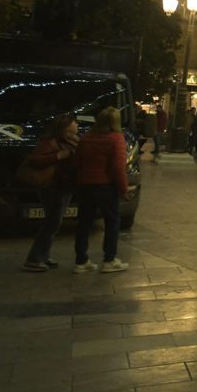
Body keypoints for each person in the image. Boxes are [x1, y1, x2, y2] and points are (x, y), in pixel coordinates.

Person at [72, 106, 132, 273]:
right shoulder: (116, 138)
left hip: (85, 186)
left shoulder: (86, 138)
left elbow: (77, 162)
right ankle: (109, 259)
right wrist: (123, 189)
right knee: (112, 222)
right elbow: (118, 168)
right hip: (106, 186)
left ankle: (81, 260)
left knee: (84, 223)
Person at [21, 114, 79, 272]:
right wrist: (58, 156)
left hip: (65, 186)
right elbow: (35, 160)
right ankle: (34, 258)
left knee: (54, 222)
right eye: (69, 132)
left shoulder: (70, 141)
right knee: (52, 223)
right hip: (54, 187)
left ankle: (43, 255)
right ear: (60, 130)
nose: (73, 135)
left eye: (75, 131)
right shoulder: (49, 143)